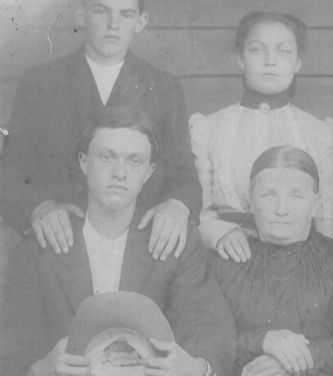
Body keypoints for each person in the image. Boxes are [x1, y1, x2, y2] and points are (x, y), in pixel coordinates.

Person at [0, 108, 235, 376]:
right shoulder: (40, 247)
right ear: (84, 162)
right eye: (106, 157)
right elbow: (13, 344)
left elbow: (210, 328)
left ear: (149, 172)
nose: (119, 173)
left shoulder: (176, 243)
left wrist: (194, 367)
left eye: (134, 161)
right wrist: (40, 368)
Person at [3, 0, 201, 261]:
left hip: (140, 245)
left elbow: (184, 174)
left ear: (141, 21)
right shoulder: (40, 82)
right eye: (101, 11)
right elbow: (11, 171)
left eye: (126, 15)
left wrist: (177, 204)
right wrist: (39, 206)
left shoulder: (164, 87)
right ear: (81, 14)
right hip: (59, 243)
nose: (113, 24)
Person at [190, 11, 333, 263]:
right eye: (257, 50)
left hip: (300, 260)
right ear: (240, 58)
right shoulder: (208, 128)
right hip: (226, 258)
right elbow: (199, 211)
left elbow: (325, 215)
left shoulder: (320, 133)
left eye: (283, 51)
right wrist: (219, 234)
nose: (270, 61)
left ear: (297, 63)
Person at [210, 146, 333, 376]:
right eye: (268, 195)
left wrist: (300, 362)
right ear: (250, 200)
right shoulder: (224, 261)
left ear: (315, 203)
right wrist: (262, 341)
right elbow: (203, 339)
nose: (282, 210)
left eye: (296, 196)